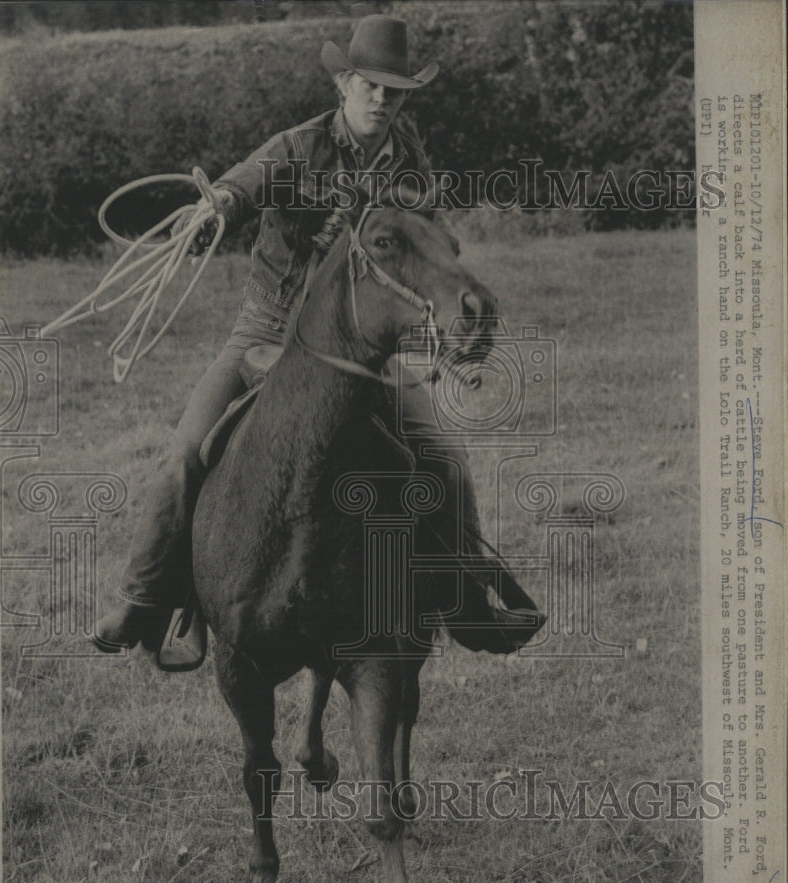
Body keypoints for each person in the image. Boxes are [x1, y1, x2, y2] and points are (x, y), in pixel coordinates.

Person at [94, 14, 543, 668]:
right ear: (343, 83)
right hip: (267, 333)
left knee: (443, 459)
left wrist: (441, 333)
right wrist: (212, 208)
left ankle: (467, 602)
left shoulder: (408, 163)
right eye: (370, 86)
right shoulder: (295, 148)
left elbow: (422, 254)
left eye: (395, 90)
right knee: (188, 452)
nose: (382, 100)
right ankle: (149, 602)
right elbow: (239, 187)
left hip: (357, 350)